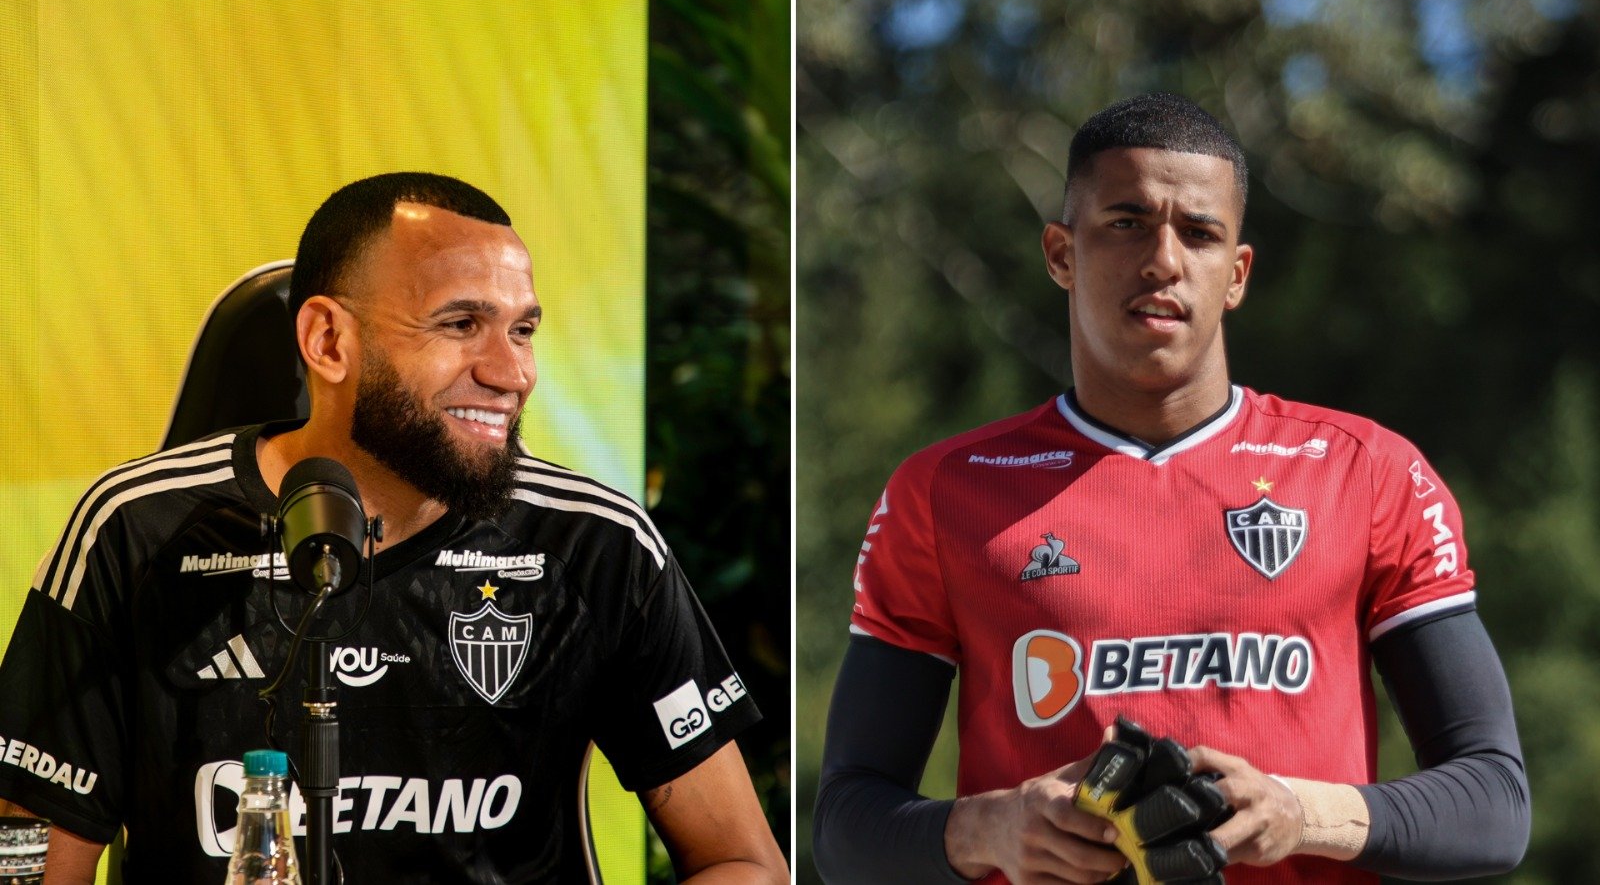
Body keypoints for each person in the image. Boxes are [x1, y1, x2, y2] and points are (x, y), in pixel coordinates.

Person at [812, 94, 1529, 884]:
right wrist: (990, 828)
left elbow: (1494, 803)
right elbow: (845, 826)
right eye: (1126, 223)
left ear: (1237, 274)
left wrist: (1299, 814)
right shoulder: (942, 492)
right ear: (1061, 253)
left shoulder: (1370, 473)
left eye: (1199, 232)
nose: (1163, 260)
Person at [0, 172, 788, 883]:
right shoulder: (135, 532)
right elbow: (30, 868)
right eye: (459, 326)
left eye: (522, 330)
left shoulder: (597, 544)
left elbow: (740, 861)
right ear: (329, 342)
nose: (512, 374)